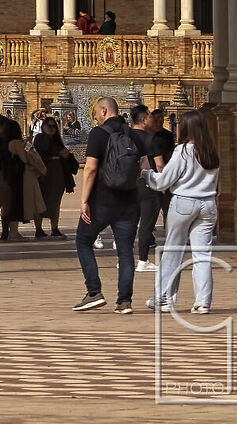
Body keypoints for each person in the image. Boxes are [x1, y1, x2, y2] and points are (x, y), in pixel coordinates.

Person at [73, 94, 144, 312]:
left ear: (104, 111)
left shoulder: (98, 134)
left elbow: (91, 169)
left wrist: (84, 200)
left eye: (96, 113)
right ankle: (124, 301)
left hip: (102, 201)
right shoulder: (135, 135)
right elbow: (144, 168)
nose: (95, 117)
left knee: (83, 241)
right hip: (130, 202)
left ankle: (94, 292)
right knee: (125, 251)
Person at [146, 109, 220, 315]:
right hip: (208, 204)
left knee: (172, 251)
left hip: (184, 203)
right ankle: (203, 301)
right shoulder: (211, 151)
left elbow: (164, 181)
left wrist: (146, 174)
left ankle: (165, 299)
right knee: (203, 255)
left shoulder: (183, 151)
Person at [133, 105, 174, 259]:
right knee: (147, 223)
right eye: (150, 116)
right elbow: (160, 164)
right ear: (144, 120)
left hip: (129, 183)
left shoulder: (126, 136)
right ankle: (143, 259)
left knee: (130, 220)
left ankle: (122, 256)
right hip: (149, 183)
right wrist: (163, 183)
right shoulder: (150, 140)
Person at [31, 116, 72, 237]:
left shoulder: (57, 140)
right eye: (49, 126)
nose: (51, 129)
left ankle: (54, 228)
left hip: (57, 172)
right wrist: (58, 151)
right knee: (40, 200)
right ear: (43, 126)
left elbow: (65, 154)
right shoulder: (40, 138)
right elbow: (43, 149)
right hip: (44, 173)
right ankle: (38, 229)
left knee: (55, 201)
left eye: (54, 126)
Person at [0, 114, 25, 242]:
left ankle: (4, 232)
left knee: (7, 202)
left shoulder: (8, 140)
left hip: (8, 172)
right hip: (1, 172)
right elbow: (0, 156)